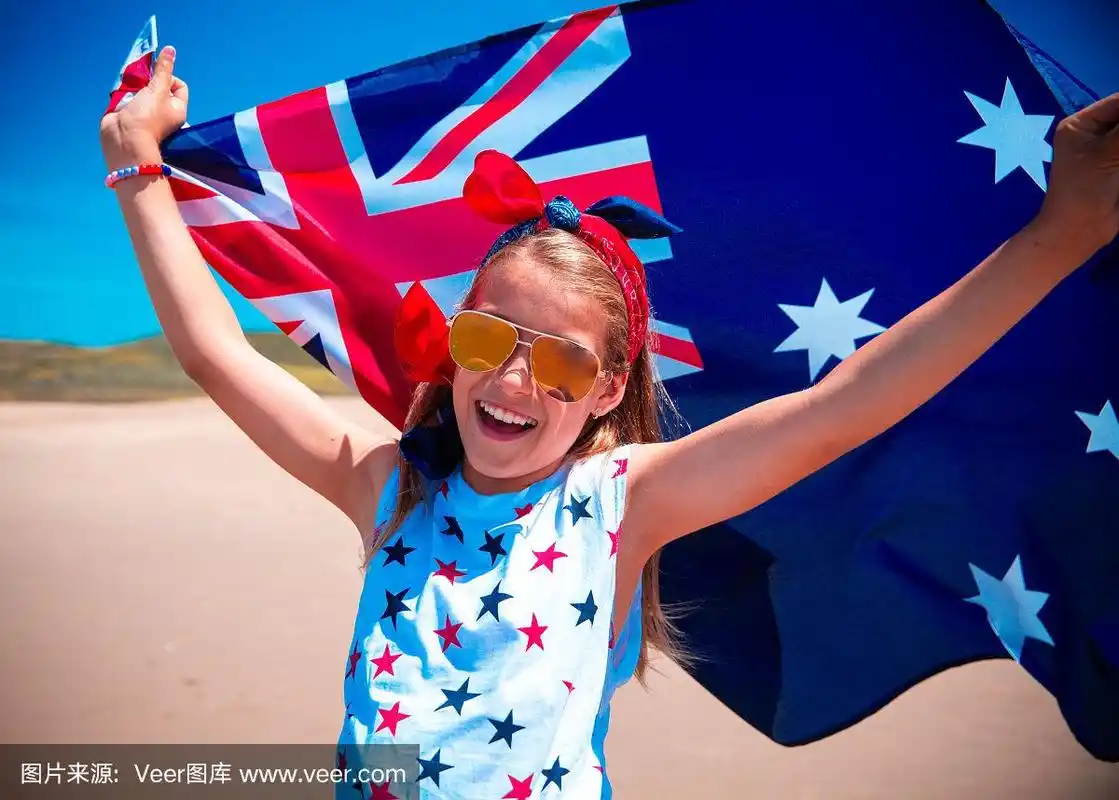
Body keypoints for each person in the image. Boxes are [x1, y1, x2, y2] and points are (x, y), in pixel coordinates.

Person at [100, 45, 1119, 799]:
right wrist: (138, 169)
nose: (515, 378)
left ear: (604, 390)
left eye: (560, 360)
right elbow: (215, 352)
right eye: (489, 338)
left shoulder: (619, 500)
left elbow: (839, 409)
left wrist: (1062, 232)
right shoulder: (388, 485)